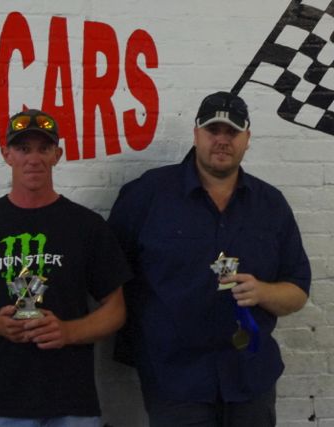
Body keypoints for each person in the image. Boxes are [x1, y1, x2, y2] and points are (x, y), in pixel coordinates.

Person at [107, 91, 311, 427]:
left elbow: (298, 290)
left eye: (232, 132)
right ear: (196, 133)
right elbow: (111, 277)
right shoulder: (146, 195)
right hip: (174, 379)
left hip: (250, 377)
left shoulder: (271, 205)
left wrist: (262, 292)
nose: (222, 140)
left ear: (247, 139)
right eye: (213, 130)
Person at [0, 109, 132, 427]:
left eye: (44, 148)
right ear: (6, 154)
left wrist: (68, 332)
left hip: (72, 402)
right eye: (24, 148)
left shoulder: (86, 226)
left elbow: (116, 309)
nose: (34, 158)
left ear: (58, 155)